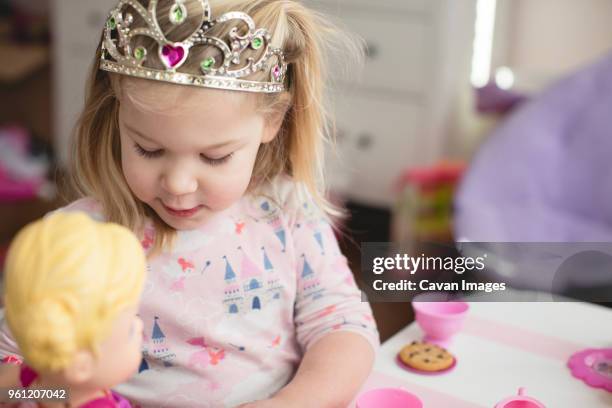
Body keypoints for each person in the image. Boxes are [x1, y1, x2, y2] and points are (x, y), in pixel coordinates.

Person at [2, 1, 379, 406]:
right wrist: (52, 390)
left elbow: (344, 324)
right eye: (148, 149)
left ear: (273, 120)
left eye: (214, 157)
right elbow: (9, 369)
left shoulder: (288, 211)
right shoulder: (80, 241)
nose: (179, 184)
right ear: (118, 116)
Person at [1, 212, 146, 407]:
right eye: (129, 328)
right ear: (81, 366)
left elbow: (6, 391)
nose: (139, 325)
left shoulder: (47, 386)